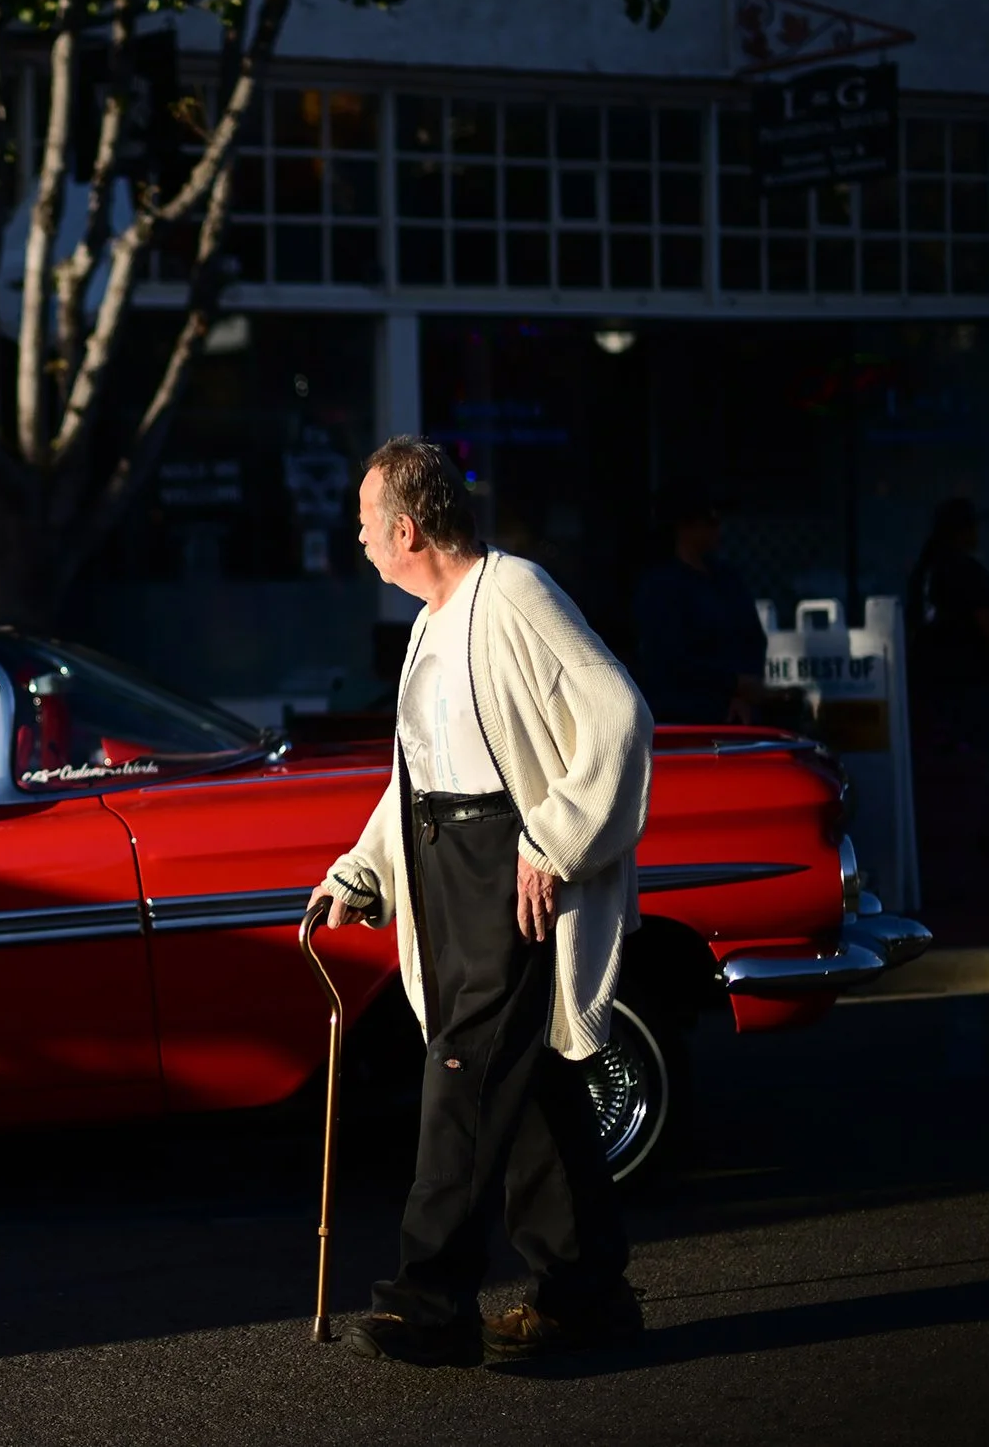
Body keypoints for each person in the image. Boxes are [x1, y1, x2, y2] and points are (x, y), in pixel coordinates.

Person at [312, 435, 653, 1367]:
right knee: (529, 1080)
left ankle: (430, 1300)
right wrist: (364, 867)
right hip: (446, 863)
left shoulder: (514, 593)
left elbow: (621, 714)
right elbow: (419, 775)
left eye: (365, 524)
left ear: (408, 527)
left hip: (509, 869)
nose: (360, 540)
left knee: (461, 1075)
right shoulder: (431, 617)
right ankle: (588, 1296)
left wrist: (556, 836)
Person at [905, 496, 989, 775]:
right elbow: (988, 620)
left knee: (939, 756)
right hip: (962, 682)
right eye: (972, 528)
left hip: (928, 683)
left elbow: (912, 625)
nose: (977, 535)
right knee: (970, 756)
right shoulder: (964, 570)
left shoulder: (925, 570)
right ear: (960, 532)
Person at [630, 482, 769, 725]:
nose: (718, 529)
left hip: (739, 717)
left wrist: (745, 691)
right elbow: (669, 659)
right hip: (687, 718)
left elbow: (753, 638)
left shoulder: (727, 579)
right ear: (685, 526)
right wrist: (732, 684)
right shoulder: (661, 586)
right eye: (711, 520)